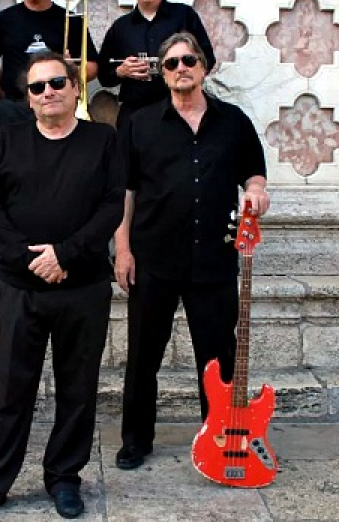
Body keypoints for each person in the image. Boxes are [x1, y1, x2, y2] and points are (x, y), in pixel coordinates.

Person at [0, 51, 124, 522]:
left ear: (75, 88)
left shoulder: (103, 141)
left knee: (77, 388)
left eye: (56, 83)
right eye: (37, 87)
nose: (47, 92)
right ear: (28, 99)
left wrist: (64, 255)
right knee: (10, 389)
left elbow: (111, 206)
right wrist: (31, 260)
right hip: (21, 286)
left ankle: (64, 478)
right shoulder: (8, 140)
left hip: (83, 285)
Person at [113, 32, 270, 471]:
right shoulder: (139, 124)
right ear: (162, 74)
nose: (180, 69)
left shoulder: (234, 122)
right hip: (153, 259)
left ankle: (219, 435)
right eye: (171, 63)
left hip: (214, 260)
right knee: (143, 357)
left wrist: (257, 193)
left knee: (218, 360)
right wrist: (122, 249)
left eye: (188, 61)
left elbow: (254, 174)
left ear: (203, 66)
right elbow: (125, 191)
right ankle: (136, 440)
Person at [98, 0, 215, 129]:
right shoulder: (120, 27)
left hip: (178, 110)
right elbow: (103, 76)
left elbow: (208, 59)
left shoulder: (184, 16)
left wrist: (181, 72)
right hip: (134, 113)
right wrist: (121, 71)